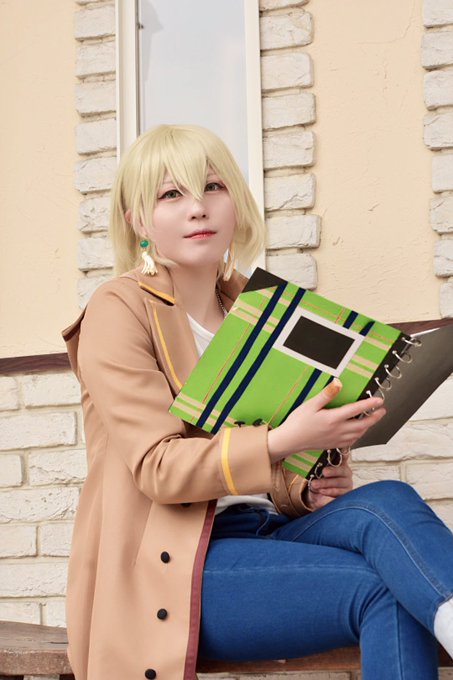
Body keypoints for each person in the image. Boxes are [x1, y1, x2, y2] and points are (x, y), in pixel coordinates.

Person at [63, 124, 453, 680]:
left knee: (386, 500)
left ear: (236, 202)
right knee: (382, 589)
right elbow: (158, 468)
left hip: (262, 533)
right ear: (138, 222)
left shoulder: (252, 306)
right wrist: (282, 440)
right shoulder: (118, 308)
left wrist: (308, 483)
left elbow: (262, 465)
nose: (198, 208)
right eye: (171, 194)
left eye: (213, 187)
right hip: (177, 567)